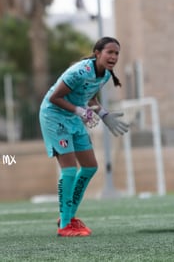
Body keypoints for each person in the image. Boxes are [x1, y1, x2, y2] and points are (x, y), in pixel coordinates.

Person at [39, 37, 129, 237]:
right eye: (110, 52)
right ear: (97, 53)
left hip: (73, 117)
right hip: (53, 116)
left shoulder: (104, 75)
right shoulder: (79, 72)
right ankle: (64, 225)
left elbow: (90, 98)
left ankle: (68, 216)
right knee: (69, 170)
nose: (114, 56)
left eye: (116, 53)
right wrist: (80, 112)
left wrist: (104, 115)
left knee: (90, 167)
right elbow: (55, 98)